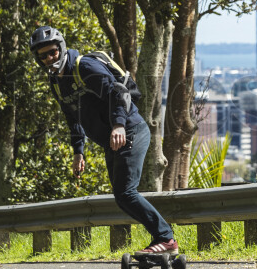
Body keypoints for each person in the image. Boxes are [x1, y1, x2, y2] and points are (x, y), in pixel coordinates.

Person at [29, 25, 178, 256]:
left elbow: (119, 92)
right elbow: (72, 116)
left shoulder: (84, 67)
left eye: (53, 52)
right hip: (112, 139)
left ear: (61, 48)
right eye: (44, 55)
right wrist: (79, 151)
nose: (50, 58)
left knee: (126, 192)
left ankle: (165, 238)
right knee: (121, 196)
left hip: (130, 130)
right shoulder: (57, 82)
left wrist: (118, 124)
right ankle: (163, 238)